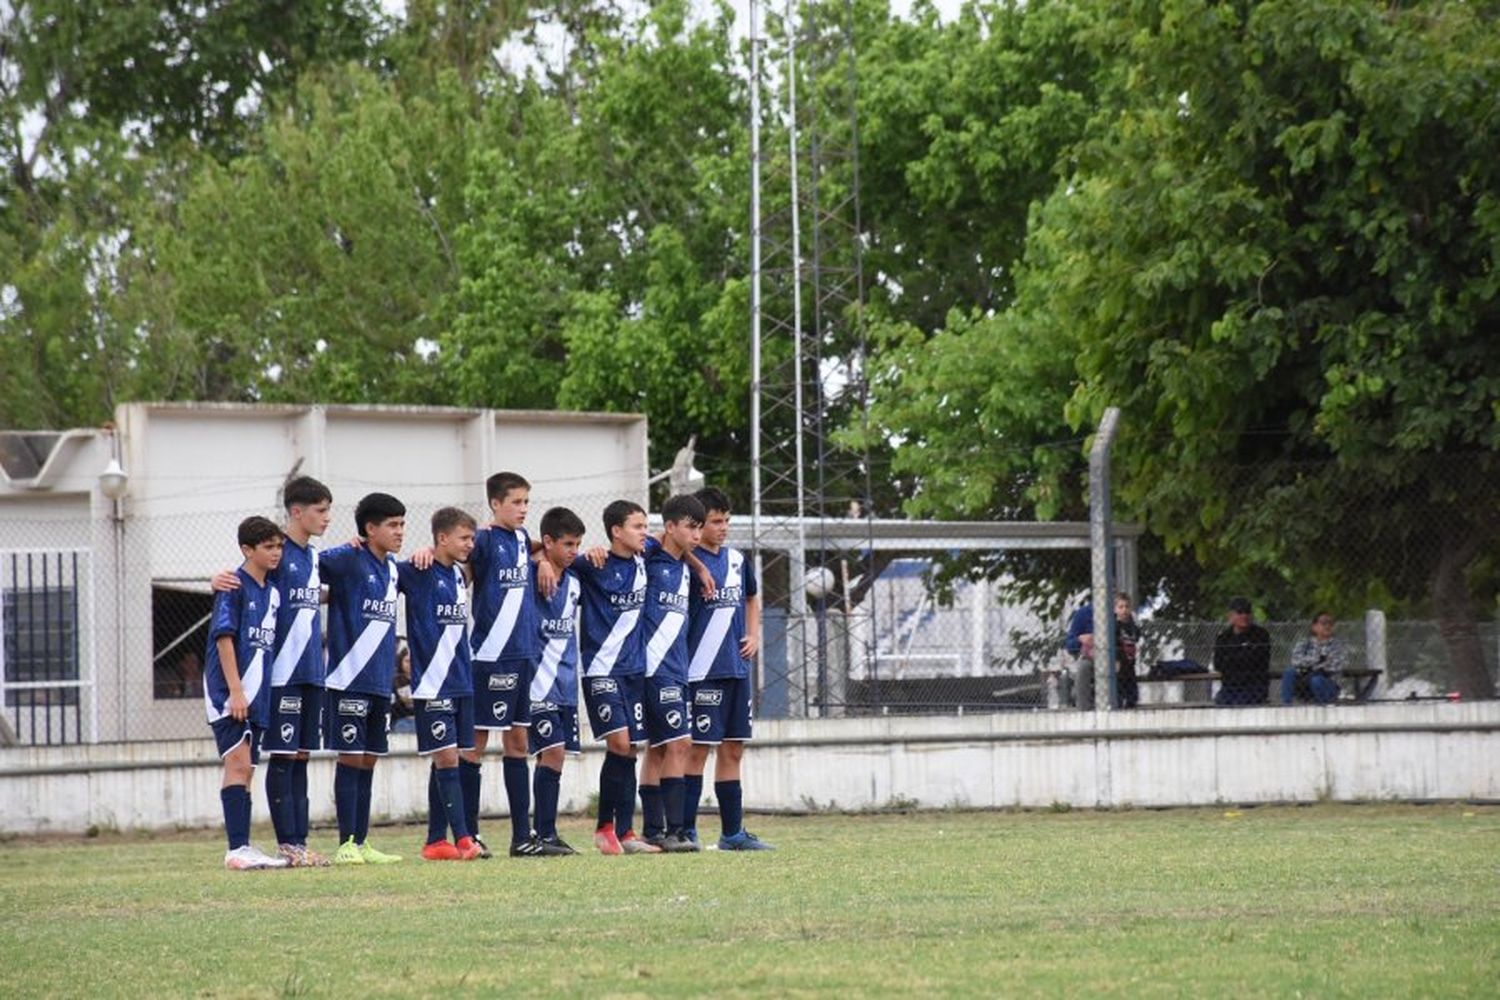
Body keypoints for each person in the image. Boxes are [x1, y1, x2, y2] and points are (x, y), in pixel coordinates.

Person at [212, 475, 333, 866]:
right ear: (296, 512)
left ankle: (297, 843)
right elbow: (240, 581)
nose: (328, 518)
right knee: (278, 758)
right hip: (277, 676)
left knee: (300, 757)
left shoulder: (314, 557)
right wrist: (215, 580)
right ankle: (286, 845)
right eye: (321, 510)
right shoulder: (272, 560)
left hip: (311, 672)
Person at [461, 471, 555, 858]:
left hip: (523, 656)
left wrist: (543, 557)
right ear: (495, 504)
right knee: (476, 743)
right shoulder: (482, 539)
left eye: (526, 502)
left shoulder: (521, 540)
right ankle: (468, 834)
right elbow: (460, 569)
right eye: (515, 502)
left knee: (517, 742)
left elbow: (533, 545)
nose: (522, 509)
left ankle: (522, 837)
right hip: (491, 656)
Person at [684, 486, 774, 851]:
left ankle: (732, 833)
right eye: (716, 522)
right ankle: (685, 830)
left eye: (727, 521)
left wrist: (753, 634)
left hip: (737, 668)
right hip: (701, 669)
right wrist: (695, 561)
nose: (723, 528)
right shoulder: (685, 564)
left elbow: (752, 597)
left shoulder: (737, 560)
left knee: (733, 749)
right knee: (697, 749)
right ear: (698, 524)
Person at [321, 492, 407, 864]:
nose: (400, 531)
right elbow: (301, 563)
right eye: (392, 525)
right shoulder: (349, 559)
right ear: (369, 529)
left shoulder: (391, 568)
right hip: (347, 679)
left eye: (402, 524)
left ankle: (362, 842)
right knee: (351, 758)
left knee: (370, 759)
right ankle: (345, 843)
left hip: (378, 682)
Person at [397, 507, 483, 862]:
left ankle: (435, 840)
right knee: (446, 757)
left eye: (473, 538)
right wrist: (415, 553)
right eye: (464, 538)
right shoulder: (417, 570)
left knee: (451, 759)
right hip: (432, 683)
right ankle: (463, 838)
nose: (470, 545)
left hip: (460, 680)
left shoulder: (459, 575)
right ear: (442, 538)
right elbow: (382, 573)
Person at [205, 516, 288, 870]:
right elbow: (224, 638)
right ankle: (237, 849)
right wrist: (236, 691)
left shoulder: (272, 591)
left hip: (257, 695)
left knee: (247, 768)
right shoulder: (233, 585)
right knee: (238, 764)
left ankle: (244, 846)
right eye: (268, 547)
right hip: (230, 692)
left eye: (279, 546)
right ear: (246, 550)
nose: (276, 553)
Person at [573, 499, 654, 855]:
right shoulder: (593, 563)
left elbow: (679, 539)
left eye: (645, 526)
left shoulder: (644, 556)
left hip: (634, 670)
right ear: (616, 531)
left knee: (631, 748)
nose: (644, 532)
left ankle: (626, 831)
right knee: (619, 744)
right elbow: (552, 557)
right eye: (637, 526)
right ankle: (604, 827)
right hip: (600, 668)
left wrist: (699, 568)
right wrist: (543, 561)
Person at [637, 494, 706, 853]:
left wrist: (698, 566)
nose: (697, 534)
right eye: (690, 527)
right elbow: (638, 542)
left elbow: (681, 551)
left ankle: (653, 829)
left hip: (677, 668)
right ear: (669, 527)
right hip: (654, 667)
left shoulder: (683, 568)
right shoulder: (649, 556)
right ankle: (676, 830)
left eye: (700, 527)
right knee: (679, 743)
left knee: (660, 748)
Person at [526, 506, 587, 856]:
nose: (573, 552)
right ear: (548, 542)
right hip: (537, 683)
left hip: (565, 683)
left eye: (578, 544)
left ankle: (547, 831)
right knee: (552, 750)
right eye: (567, 544)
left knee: (556, 757)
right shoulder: (533, 572)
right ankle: (540, 832)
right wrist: (540, 560)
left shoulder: (576, 579)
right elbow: (520, 549)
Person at [1212, 597, 1272, 706]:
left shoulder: (1261, 635)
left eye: (1247, 612)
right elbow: (1218, 664)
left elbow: (1259, 662)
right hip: (1230, 686)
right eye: (1240, 612)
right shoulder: (1223, 637)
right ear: (1230, 615)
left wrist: (1232, 658)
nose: (1244, 616)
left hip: (1255, 686)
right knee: (1222, 703)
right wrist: (1244, 655)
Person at [1280, 613, 1348, 705]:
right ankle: (1286, 705)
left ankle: (1323, 705)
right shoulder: (1304, 643)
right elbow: (1295, 661)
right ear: (1314, 627)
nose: (1327, 626)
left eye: (1330, 623)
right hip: (1305, 679)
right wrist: (1319, 661)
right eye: (1324, 623)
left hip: (1327, 682)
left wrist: (1309, 665)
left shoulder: (1338, 645)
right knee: (1289, 672)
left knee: (1317, 680)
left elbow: (1334, 666)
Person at [1114, 592, 1142, 710]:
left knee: (1132, 696)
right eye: (1121, 607)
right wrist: (1117, 659)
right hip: (1120, 665)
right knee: (1119, 693)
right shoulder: (1115, 626)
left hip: (1130, 664)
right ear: (1115, 609)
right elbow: (1114, 644)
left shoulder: (1133, 627)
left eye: (1126, 606)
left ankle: (1130, 703)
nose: (1124, 610)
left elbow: (1137, 638)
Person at [390, 645, 416, 733]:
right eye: (407, 661)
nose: (410, 665)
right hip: (402, 720)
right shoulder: (394, 681)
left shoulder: (425, 680)